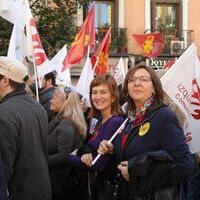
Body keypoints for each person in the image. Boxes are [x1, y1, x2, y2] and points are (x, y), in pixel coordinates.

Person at [98, 65, 196, 200]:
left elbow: (185, 165)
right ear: (126, 88)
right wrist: (113, 150)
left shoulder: (163, 116)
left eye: (144, 79)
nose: (137, 83)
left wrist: (137, 172)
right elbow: (134, 154)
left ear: (154, 88)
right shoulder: (130, 119)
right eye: (132, 80)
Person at [0, 57, 51, 200]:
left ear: (6, 80)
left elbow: (3, 169)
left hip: (19, 193)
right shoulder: (38, 106)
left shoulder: (3, 113)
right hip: (41, 191)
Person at [67, 73, 124, 200]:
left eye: (103, 92)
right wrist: (84, 154)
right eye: (94, 92)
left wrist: (71, 157)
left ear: (113, 97)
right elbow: (89, 144)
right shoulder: (100, 120)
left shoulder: (115, 122)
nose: (98, 97)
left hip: (105, 189)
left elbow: (98, 164)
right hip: (95, 187)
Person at [48, 87, 87, 200]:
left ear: (66, 102)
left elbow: (63, 156)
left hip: (59, 185)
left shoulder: (66, 125)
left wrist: (41, 160)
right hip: (57, 182)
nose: (51, 100)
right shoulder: (60, 120)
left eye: (54, 98)